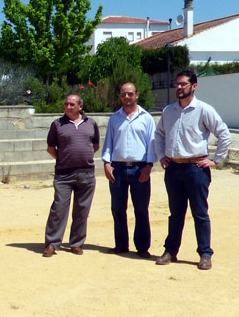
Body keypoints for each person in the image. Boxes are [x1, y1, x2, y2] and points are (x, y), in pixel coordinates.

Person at [154, 70, 231, 270]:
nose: (179, 87)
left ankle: (205, 254)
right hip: (173, 169)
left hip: (196, 169)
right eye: (177, 84)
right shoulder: (168, 111)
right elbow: (159, 134)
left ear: (194, 86)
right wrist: (161, 155)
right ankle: (171, 251)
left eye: (183, 84)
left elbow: (224, 134)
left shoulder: (204, 110)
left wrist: (216, 160)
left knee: (200, 213)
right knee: (175, 213)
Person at [101, 82, 157, 258]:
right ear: (120, 96)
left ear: (137, 95)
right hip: (117, 169)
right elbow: (108, 143)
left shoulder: (146, 118)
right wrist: (106, 163)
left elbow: (152, 145)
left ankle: (142, 247)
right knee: (118, 209)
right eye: (124, 94)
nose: (127, 97)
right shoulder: (114, 118)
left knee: (141, 209)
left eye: (130, 94)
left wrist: (148, 167)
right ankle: (121, 245)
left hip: (140, 169)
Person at [43, 94, 100, 257]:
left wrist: (81, 157)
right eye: (66, 104)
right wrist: (64, 159)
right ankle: (52, 243)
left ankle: (76, 243)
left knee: (82, 210)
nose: (68, 107)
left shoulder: (91, 123)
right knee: (59, 209)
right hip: (64, 175)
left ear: (80, 106)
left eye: (72, 104)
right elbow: (51, 148)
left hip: (86, 174)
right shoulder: (57, 124)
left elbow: (95, 145)